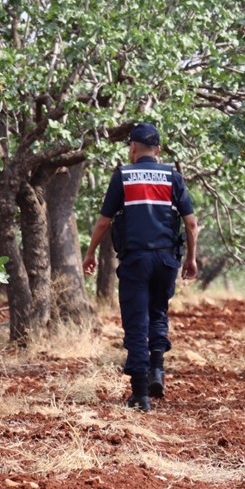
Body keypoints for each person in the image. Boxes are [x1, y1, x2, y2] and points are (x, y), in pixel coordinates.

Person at [82, 122, 198, 412]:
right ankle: (157, 369)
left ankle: (140, 395)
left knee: (136, 321)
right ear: (157, 150)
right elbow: (191, 222)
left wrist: (90, 252)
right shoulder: (173, 176)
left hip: (135, 259)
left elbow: (104, 222)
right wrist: (191, 258)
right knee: (158, 312)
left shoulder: (124, 175)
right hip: (165, 259)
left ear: (132, 148)